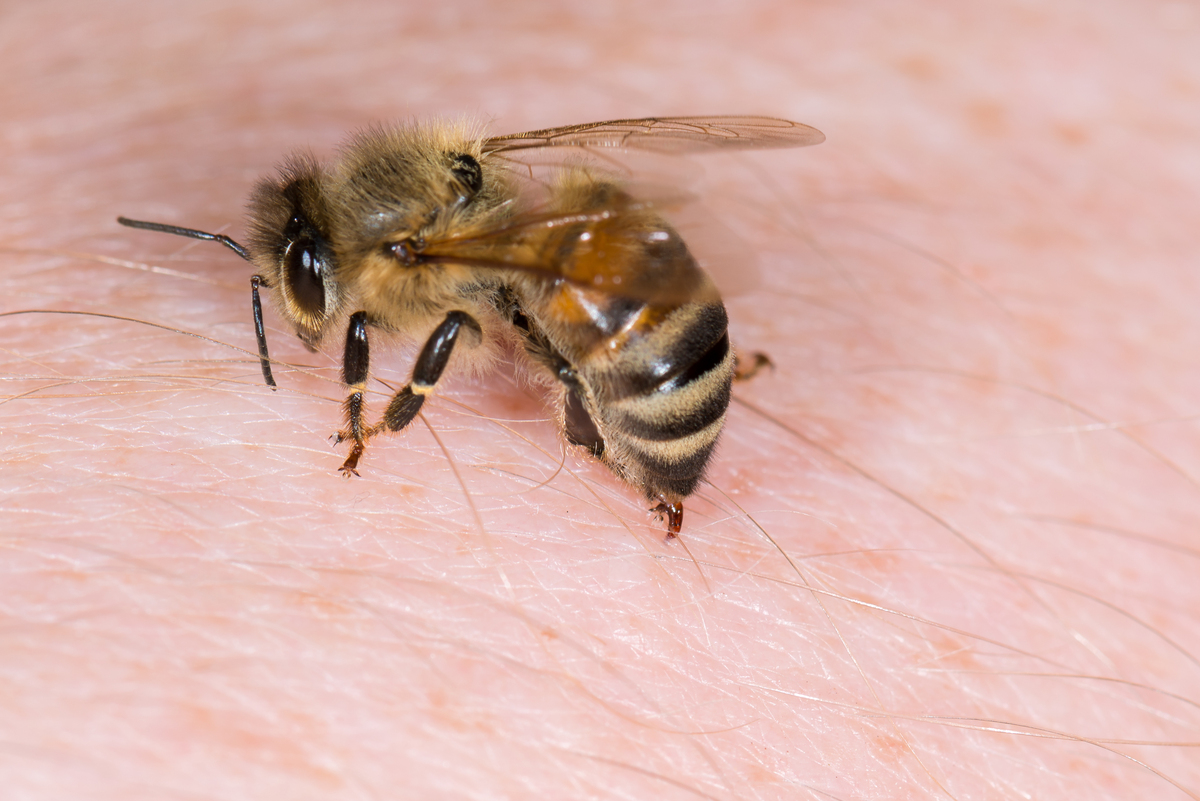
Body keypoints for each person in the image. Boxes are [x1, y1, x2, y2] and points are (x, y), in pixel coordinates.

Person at [4, 1, 1197, 797]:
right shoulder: (444, 191)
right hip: (622, 267)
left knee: (550, 338)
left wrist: (370, 419)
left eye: (308, 285)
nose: (315, 308)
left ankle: (640, 464)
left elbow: (420, 327)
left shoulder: (406, 273)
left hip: (622, 316)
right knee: (539, 316)